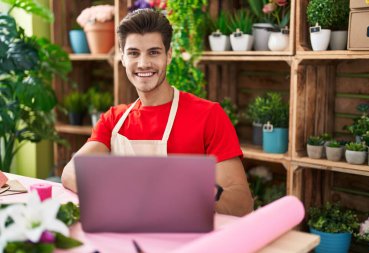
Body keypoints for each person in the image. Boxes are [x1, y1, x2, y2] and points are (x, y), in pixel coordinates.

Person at [61, 8, 253, 217]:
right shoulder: (113, 120)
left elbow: (241, 203)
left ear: (168, 55)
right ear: (123, 58)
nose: (144, 63)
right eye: (134, 53)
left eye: (154, 52)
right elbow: (71, 172)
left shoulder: (209, 115)